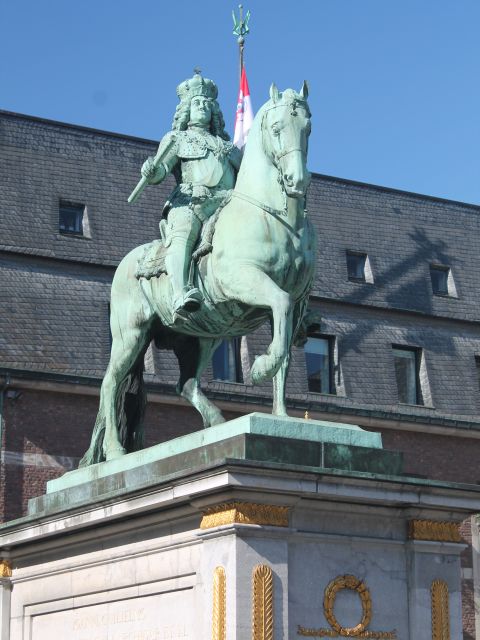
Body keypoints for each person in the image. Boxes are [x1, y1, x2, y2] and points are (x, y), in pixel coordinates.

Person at [140, 72, 242, 316]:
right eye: (197, 103)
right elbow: (160, 171)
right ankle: (180, 292)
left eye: (208, 104)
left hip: (227, 204)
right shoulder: (177, 139)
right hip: (192, 203)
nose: (203, 107)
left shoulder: (229, 148)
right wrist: (151, 170)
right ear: (186, 109)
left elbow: (247, 179)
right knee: (183, 236)